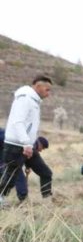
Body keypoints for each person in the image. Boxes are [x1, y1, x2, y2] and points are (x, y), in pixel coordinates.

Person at [0, 75, 53, 205]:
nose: (49, 94)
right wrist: (26, 144)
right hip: (16, 145)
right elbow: (18, 122)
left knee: (45, 172)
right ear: (38, 86)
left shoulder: (34, 101)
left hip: (27, 145)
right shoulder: (25, 99)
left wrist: (28, 145)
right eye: (47, 90)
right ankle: (0, 198)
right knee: (11, 176)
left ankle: (47, 200)